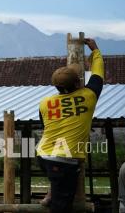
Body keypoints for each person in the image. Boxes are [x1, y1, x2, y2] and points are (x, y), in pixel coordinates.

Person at [36, 38, 104, 212]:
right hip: (65, 160)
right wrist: (95, 50)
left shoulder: (45, 103)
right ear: (77, 83)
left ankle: (51, 193)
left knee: (58, 182)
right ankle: (54, 194)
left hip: (43, 155)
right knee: (62, 206)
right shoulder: (88, 96)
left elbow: (45, 126)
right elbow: (97, 75)